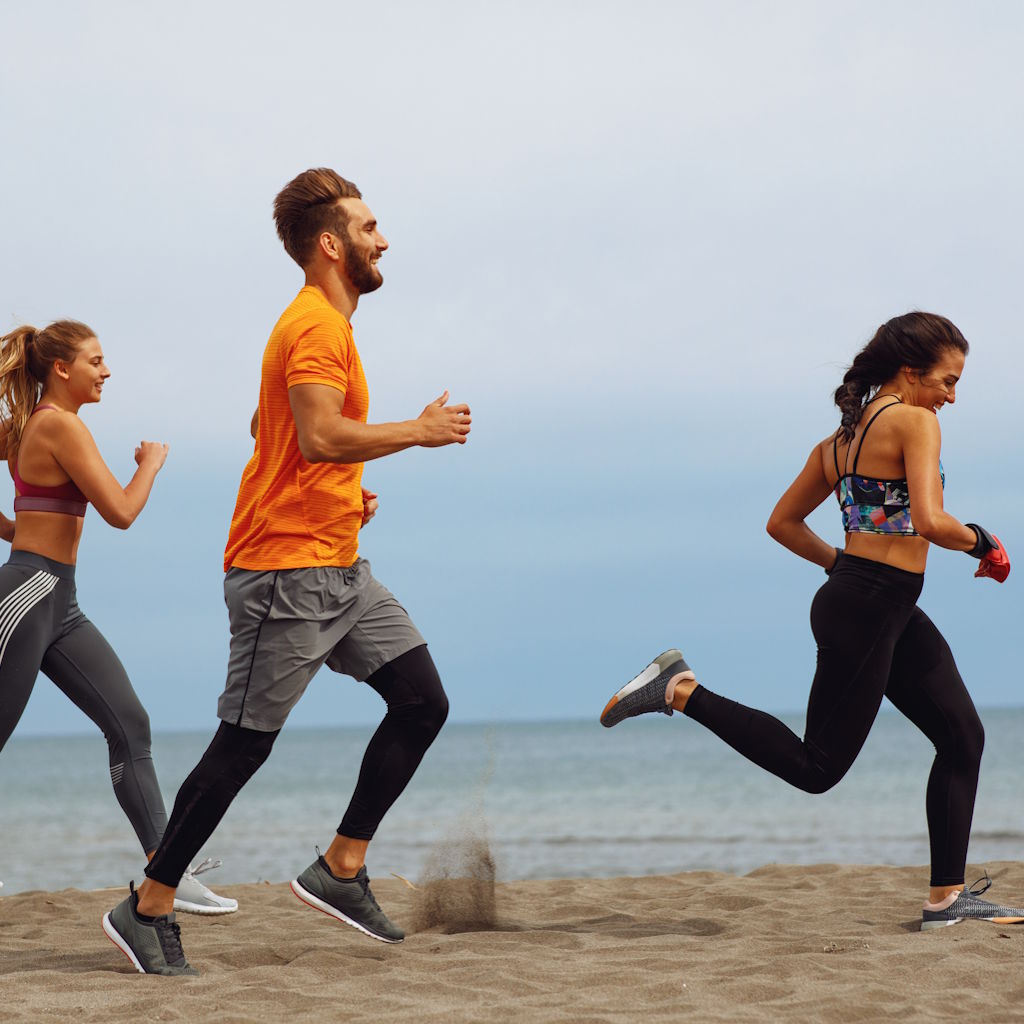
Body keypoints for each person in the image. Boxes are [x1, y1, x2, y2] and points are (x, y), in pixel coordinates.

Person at [103, 168, 471, 975]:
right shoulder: (313, 326)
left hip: (338, 567)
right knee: (242, 747)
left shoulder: (325, 331)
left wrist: (342, 492)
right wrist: (419, 430)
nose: (384, 239)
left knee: (421, 701)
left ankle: (341, 866)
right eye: (370, 227)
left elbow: (274, 431)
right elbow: (315, 437)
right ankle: (149, 903)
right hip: (283, 575)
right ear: (332, 244)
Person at [600, 311, 1023, 932]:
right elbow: (932, 521)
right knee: (817, 768)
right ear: (911, 372)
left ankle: (946, 899)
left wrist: (844, 568)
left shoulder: (836, 445)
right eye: (948, 380)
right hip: (873, 605)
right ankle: (679, 688)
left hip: (877, 601)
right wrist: (983, 541)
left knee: (963, 737)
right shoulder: (915, 420)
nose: (951, 396)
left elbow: (782, 524)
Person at [0, 319, 236, 916]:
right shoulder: (58, 425)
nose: (106, 372)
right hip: (28, 594)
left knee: (129, 723)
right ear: (61, 369)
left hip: (62, 603)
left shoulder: (28, 428)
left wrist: (15, 528)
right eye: (95, 361)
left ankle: (166, 870)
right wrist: (152, 463)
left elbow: (36, 508)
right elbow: (122, 511)